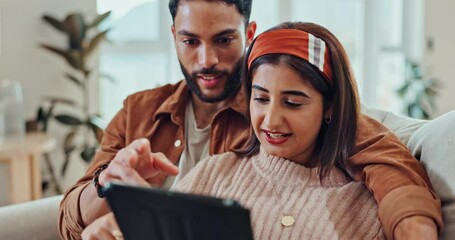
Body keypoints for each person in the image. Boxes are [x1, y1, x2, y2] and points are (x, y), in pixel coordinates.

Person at [60, 0, 442, 239]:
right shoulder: (138, 111)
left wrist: (413, 226)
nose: (206, 59)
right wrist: (108, 189)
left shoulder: (285, 104)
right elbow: (68, 220)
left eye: (224, 40)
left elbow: (382, 157)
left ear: (249, 34)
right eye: (191, 41)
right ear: (174, 35)